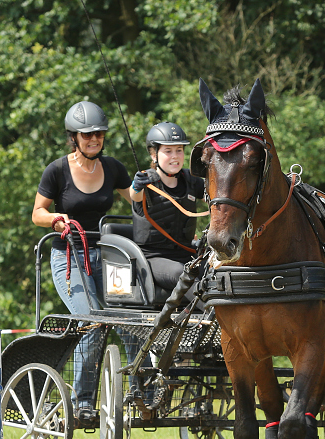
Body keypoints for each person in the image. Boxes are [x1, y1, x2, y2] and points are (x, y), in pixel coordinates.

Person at [32, 100, 133, 421]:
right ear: (73, 137)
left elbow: (138, 204)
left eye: (99, 135)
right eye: (87, 135)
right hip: (70, 257)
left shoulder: (114, 168)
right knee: (92, 322)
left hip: (108, 255)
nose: (94, 140)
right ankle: (83, 401)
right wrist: (54, 220)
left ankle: (141, 389)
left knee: (133, 320)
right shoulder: (57, 170)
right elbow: (37, 213)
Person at [129, 122, 206, 291]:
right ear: (153, 155)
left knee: (216, 269)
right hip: (153, 258)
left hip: (187, 254)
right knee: (182, 273)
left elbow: (216, 198)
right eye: (168, 151)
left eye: (179, 150)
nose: (175, 156)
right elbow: (134, 195)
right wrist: (136, 185)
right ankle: (215, 314)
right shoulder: (145, 181)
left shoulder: (191, 180)